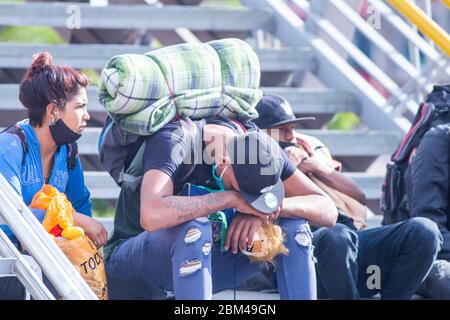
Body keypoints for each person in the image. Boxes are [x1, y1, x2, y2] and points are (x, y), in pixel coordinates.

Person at [103, 114, 338, 300]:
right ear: (225, 161)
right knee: (194, 228)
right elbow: (151, 215)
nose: (250, 202)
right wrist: (230, 199)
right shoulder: (175, 140)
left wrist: (262, 212)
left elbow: (327, 208)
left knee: (295, 226)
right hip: (139, 263)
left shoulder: (260, 146)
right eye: (246, 193)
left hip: (208, 261)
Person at [253, 93, 442, 300]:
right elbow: (262, 206)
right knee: (334, 236)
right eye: (282, 130)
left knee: (425, 230)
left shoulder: (307, 148)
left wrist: (318, 167)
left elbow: (358, 196)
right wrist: (287, 169)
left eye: (293, 128)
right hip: (304, 255)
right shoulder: (251, 160)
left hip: (352, 244)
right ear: (261, 134)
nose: (291, 136)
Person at [0, 52, 108, 299]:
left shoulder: (68, 150)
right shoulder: (10, 147)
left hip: (44, 259)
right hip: (9, 263)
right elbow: (15, 221)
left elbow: (82, 204)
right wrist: (76, 220)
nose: (88, 115)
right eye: (80, 106)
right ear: (53, 111)